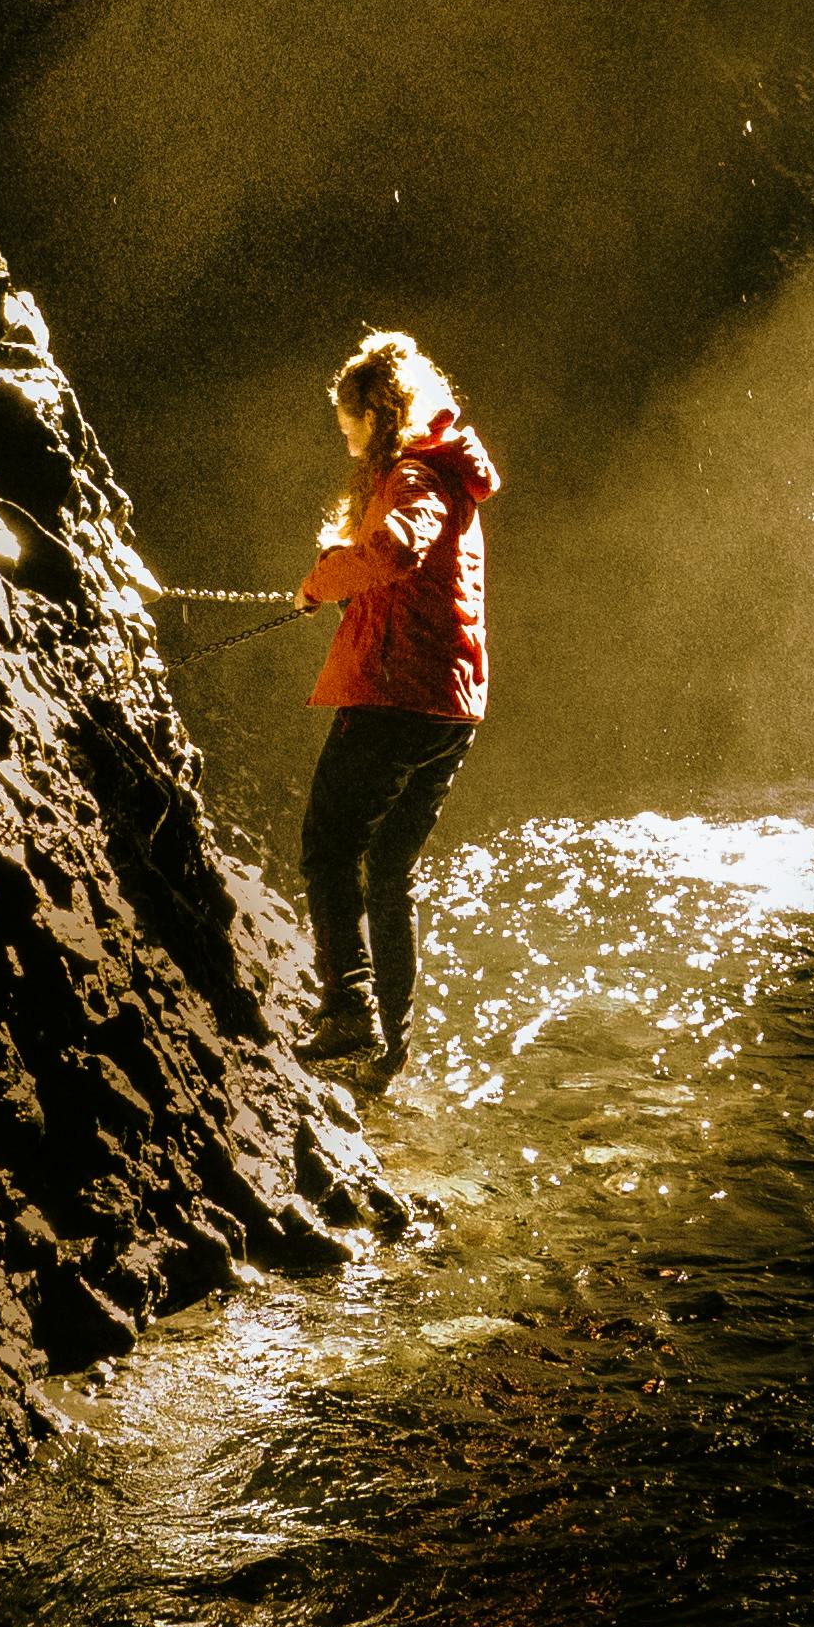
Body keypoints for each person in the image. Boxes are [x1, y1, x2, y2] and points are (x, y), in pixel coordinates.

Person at [293, 325, 497, 1081]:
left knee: (328, 846)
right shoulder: (444, 472)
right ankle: (392, 1046)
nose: (348, 448)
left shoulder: (412, 476)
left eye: (351, 430)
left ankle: (346, 1011)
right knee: (389, 866)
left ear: (378, 417)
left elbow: (398, 550)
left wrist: (321, 582)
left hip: (397, 694)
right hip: (452, 701)